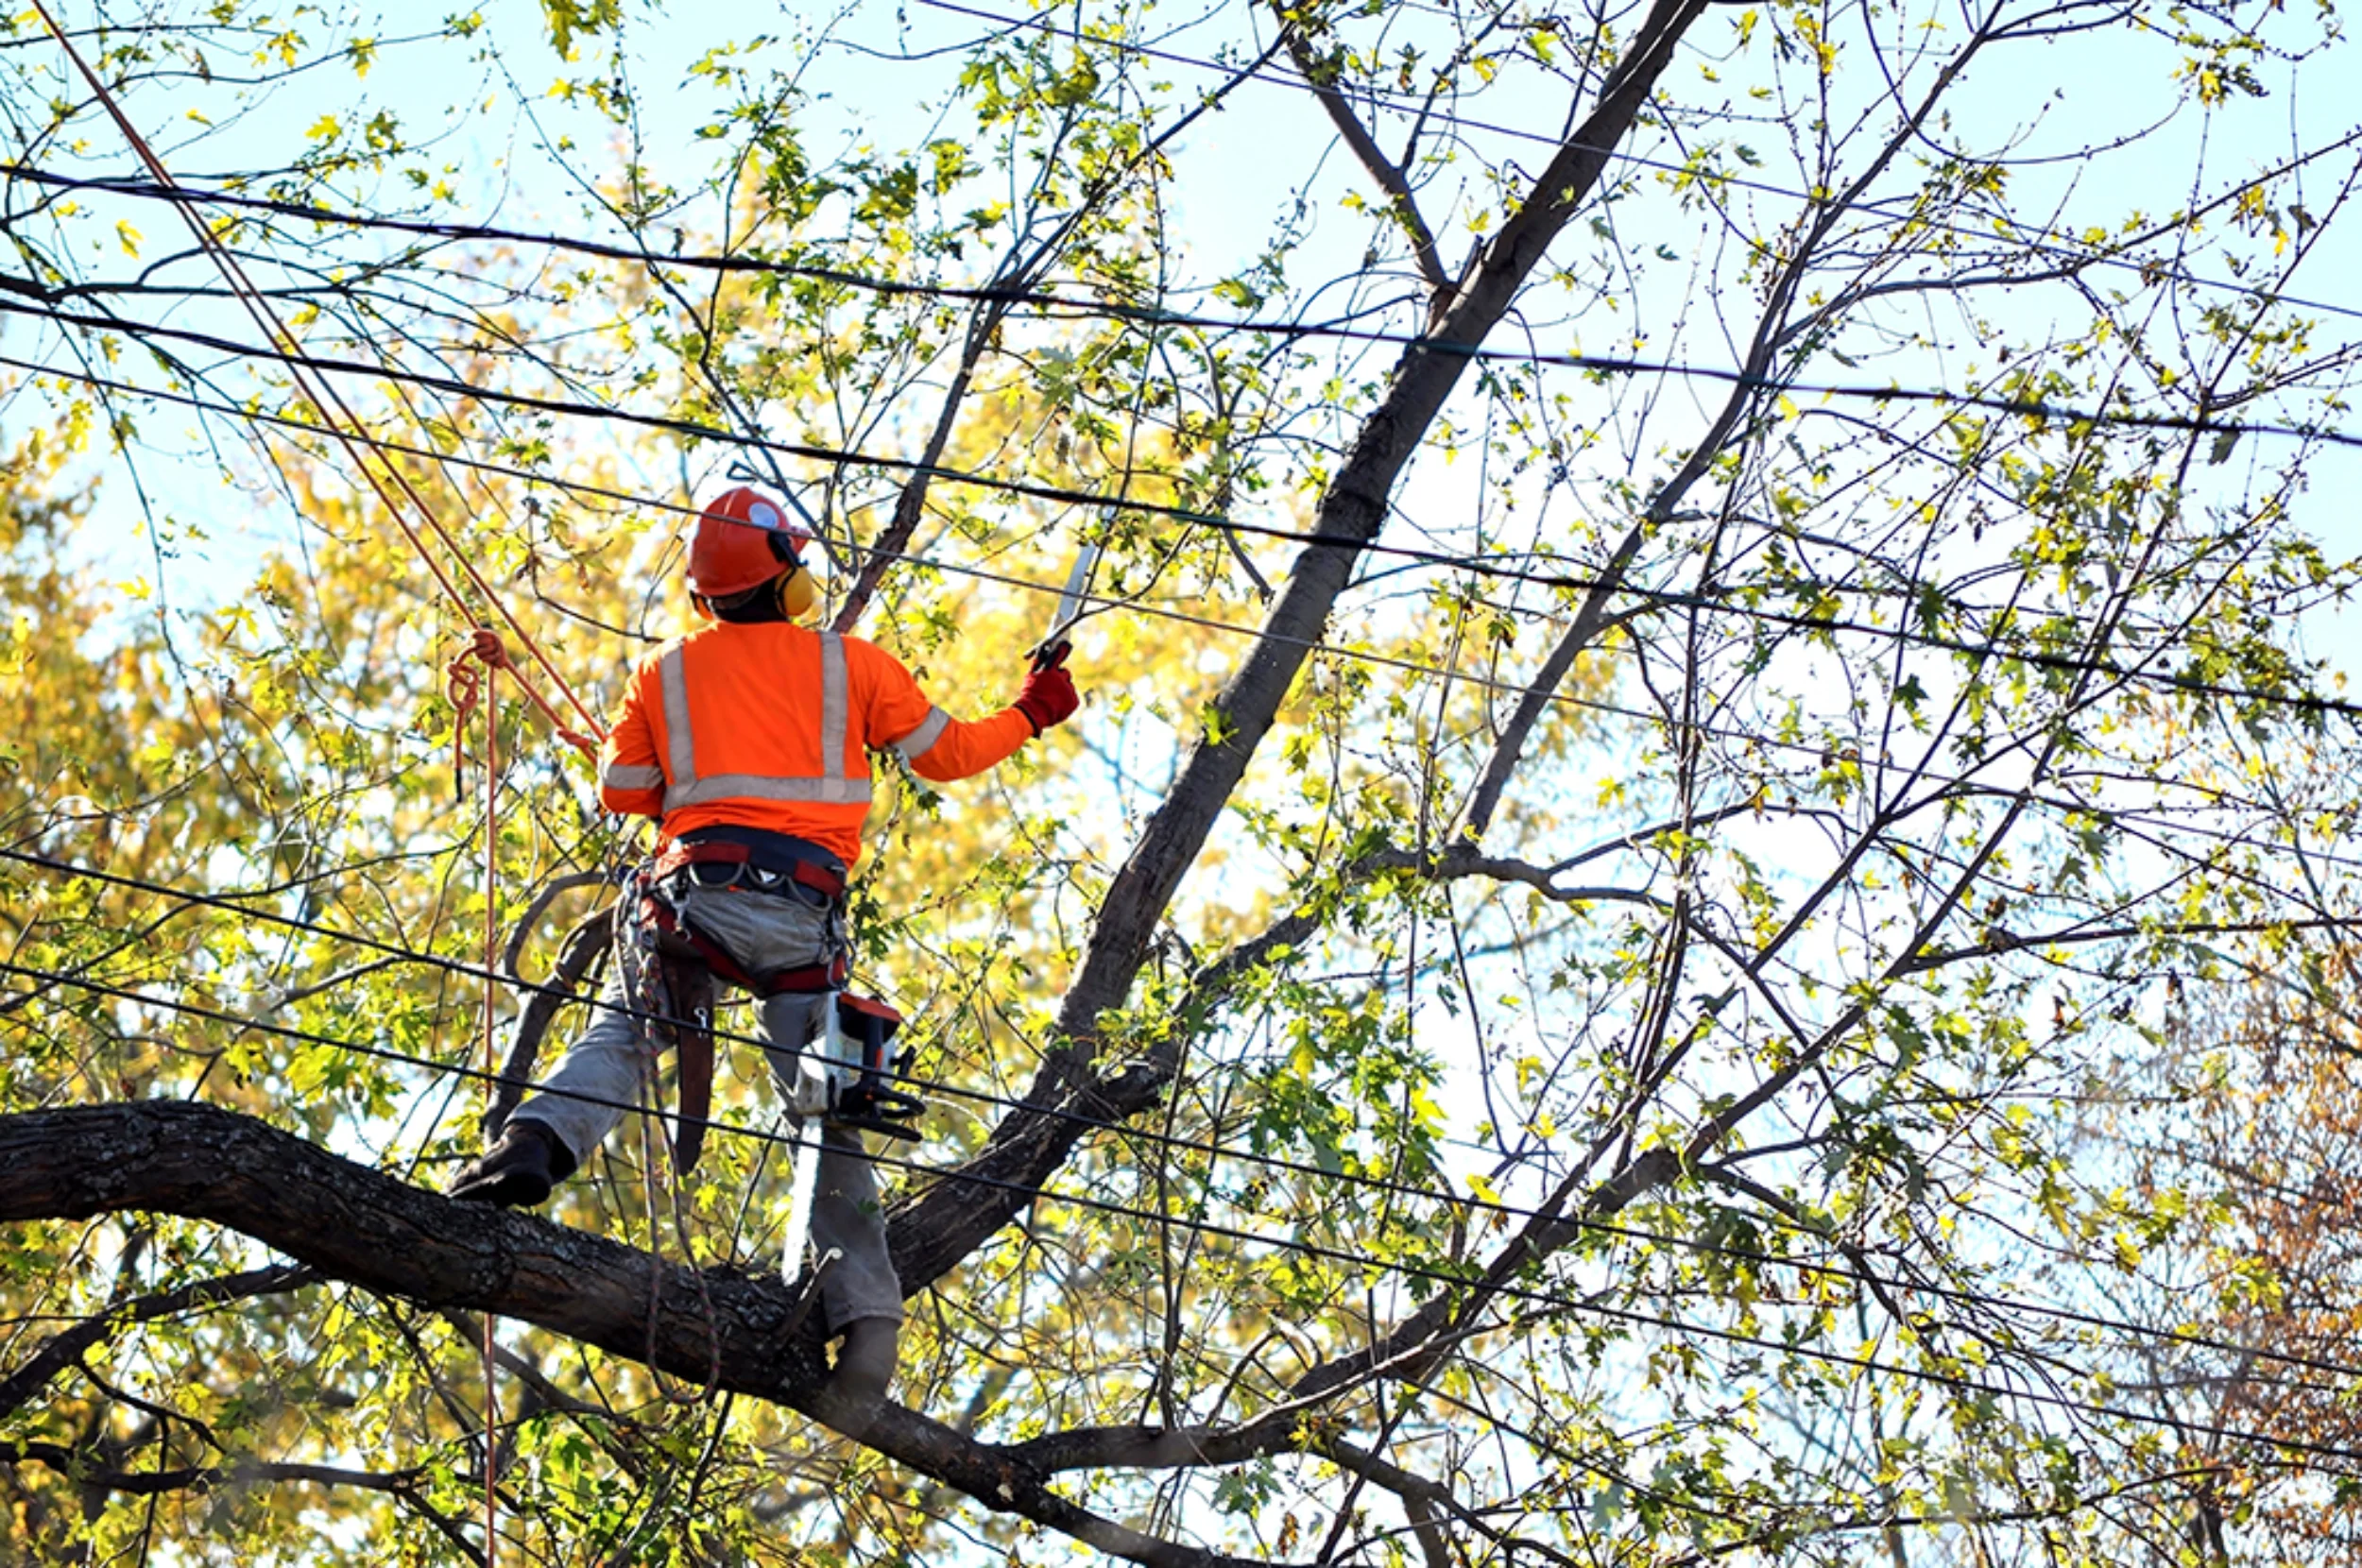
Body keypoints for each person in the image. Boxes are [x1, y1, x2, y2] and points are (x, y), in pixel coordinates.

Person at [449, 485, 1081, 1406]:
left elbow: (623, 791)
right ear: (790, 579)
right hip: (798, 911)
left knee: (625, 1033)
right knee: (820, 1104)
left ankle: (533, 1146)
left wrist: (688, 773)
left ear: (703, 596)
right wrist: (1031, 708)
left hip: (690, 900)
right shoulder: (852, 666)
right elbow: (948, 755)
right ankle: (866, 1330)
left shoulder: (664, 671)